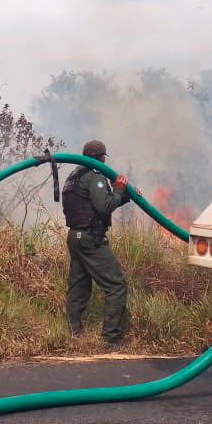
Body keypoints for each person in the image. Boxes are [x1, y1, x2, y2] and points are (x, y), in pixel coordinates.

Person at [61, 139, 136, 348]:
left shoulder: (74, 176)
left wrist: (125, 196)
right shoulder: (95, 177)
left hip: (75, 237)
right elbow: (104, 207)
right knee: (116, 285)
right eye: (104, 157)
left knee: (79, 286)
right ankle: (111, 339)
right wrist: (119, 190)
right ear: (101, 158)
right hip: (90, 239)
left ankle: (73, 334)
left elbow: (96, 203)